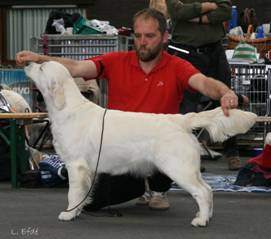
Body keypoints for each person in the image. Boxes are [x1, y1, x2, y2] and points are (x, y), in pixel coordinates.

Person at [16, 8, 240, 212]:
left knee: (169, 153)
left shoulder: (178, 66)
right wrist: (39, 59)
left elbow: (204, 83)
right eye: (138, 35)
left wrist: (225, 93)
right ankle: (140, 186)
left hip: (161, 141)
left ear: (164, 38)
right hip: (122, 149)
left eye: (150, 36)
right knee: (93, 202)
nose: (142, 42)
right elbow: (75, 67)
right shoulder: (115, 60)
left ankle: (158, 187)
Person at [165, 0, 247, 171]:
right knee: (187, 107)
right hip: (185, 51)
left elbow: (225, 11)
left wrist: (196, 17)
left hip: (215, 51)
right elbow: (177, 12)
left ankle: (232, 153)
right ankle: (190, 156)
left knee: (227, 100)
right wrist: (207, 6)